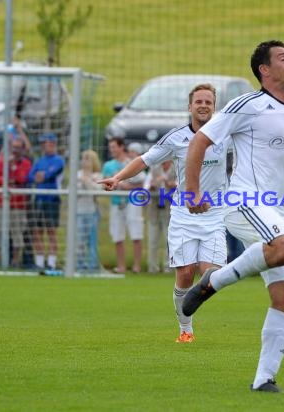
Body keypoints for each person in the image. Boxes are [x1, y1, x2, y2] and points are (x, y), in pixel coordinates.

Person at [181, 40, 284, 393]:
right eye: (283, 58)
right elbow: (199, 142)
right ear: (264, 70)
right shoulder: (247, 105)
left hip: (276, 212)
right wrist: (192, 192)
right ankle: (214, 281)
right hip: (244, 202)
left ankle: (264, 380)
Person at [99, 83, 228, 343]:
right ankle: (185, 327)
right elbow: (145, 160)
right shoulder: (177, 138)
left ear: (215, 107)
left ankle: (192, 301)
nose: (203, 105)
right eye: (199, 101)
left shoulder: (225, 134)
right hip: (183, 213)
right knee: (184, 273)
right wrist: (118, 177)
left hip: (215, 212)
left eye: (208, 102)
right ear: (190, 106)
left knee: (211, 273)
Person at [101, 137, 146, 274]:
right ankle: (121, 266)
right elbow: (105, 185)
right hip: (116, 203)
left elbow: (141, 183)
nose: (112, 150)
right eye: (110, 147)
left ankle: (137, 266)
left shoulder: (131, 162)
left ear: (121, 147)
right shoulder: (108, 165)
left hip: (132, 202)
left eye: (114, 147)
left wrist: (124, 185)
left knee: (136, 233)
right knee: (118, 234)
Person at [0, 138, 32, 267]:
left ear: (22, 149)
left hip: (18, 204)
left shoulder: (26, 163)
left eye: (18, 147)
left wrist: (11, 178)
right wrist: (7, 168)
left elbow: (23, 178)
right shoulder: (2, 161)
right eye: (13, 147)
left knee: (17, 233)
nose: (15, 150)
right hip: (2, 203)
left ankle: (15, 261)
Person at [28, 133, 64, 271]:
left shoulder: (59, 160)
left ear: (54, 144)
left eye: (48, 143)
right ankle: (39, 262)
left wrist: (42, 175)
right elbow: (31, 176)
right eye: (43, 144)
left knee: (51, 232)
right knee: (37, 231)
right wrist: (40, 176)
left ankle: (52, 263)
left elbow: (50, 174)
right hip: (38, 199)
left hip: (52, 200)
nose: (45, 146)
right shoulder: (39, 161)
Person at [144, 159, 176, 273]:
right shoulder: (154, 169)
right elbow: (146, 187)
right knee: (153, 240)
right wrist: (152, 186)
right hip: (155, 208)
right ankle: (152, 267)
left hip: (170, 209)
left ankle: (169, 267)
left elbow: (182, 186)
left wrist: (171, 184)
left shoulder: (176, 167)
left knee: (169, 240)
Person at [76, 150, 102, 271]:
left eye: (88, 159)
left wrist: (86, 180)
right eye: (83, 158)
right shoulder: (77, 174)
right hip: (79, 211)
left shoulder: (97, 176)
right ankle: (79, 264)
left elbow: (95, 191)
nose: (85, 162)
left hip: (92, 211)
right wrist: (82, 181)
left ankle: (92, 264)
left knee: (92, 240)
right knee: (80, 240)